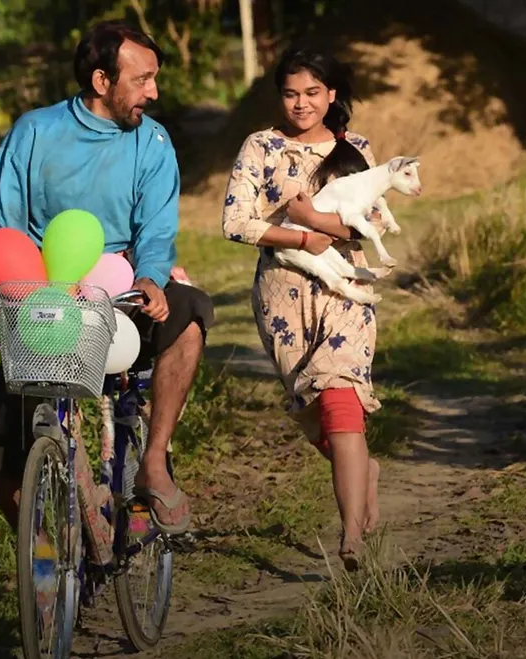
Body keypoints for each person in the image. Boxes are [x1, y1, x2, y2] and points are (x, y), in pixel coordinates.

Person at [0, 20, 214, 537]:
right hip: (45, 295)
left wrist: (150, 277)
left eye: (154, 79)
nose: (154, 91)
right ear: (102, 81)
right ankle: (51, 567)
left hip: (122, 287)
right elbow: (2, 220)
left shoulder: (152, 141)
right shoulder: (35, 132)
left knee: (191, 315)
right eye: (142, 79)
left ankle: (153, 461)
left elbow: (158, 224)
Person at [220, 43, 384, 570]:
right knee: (316, 414)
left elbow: (372, 224)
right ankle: (365, 472)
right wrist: (299, 241)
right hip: (281, 299)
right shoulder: (260, 146)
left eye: (312, 92)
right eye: (291, 94)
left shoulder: (355, 148)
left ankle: (351, 539)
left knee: (341, 402)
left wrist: (311, 222)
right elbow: (235, 222)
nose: (301, 104)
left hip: (345, 293)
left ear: (331, 94)